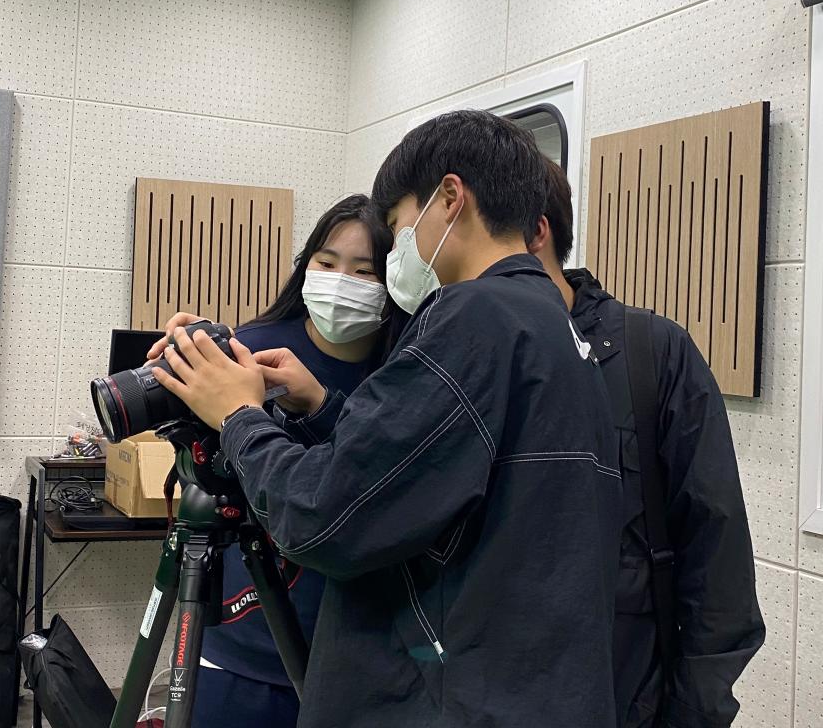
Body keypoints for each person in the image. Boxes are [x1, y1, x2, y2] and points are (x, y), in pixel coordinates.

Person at [152, 110, 624, 728]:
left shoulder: (472, 317)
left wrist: (238, 416)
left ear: (449, 198)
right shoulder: (553, 325)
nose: (399, 250)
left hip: (445, 696)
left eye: (399, 227)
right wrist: (321, 408)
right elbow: (429, 477)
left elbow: (325, 516)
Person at [144, 194, 400, 728]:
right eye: (326, 262)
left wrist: (320, 408)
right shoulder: (252, 349)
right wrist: (190, 372)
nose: (340, 282)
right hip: (239, 639)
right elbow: (204, 466)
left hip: (354, 647)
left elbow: (378, 484)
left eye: (364, 272)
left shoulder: (404, 370)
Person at [527, 158, 765, 727]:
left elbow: (717, 556)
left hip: (625, 697)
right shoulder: (460, 354)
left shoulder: (652, 352)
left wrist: (691, 713)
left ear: (536, 232)